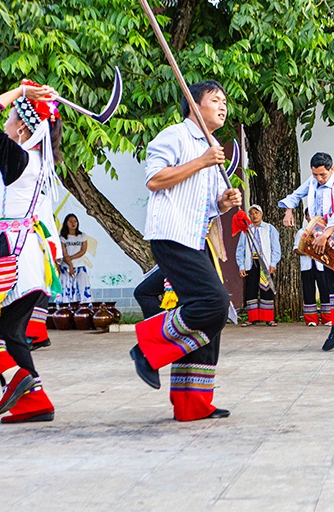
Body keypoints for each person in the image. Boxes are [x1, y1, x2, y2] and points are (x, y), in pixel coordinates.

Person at [128, 80, 242, 422]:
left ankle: (192, 403)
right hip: (172, 236)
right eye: (215, 99)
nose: (223, 106)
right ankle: (147, 350)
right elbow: (155, 180)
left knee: (212, 316)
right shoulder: (175, 136)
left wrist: (225, 202)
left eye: (225, 100)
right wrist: (203, 161)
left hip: (196, 237)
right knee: (213, 304)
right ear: (194, 105)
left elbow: (208, 206)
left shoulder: (213, 148)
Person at [0, 81, 63, 424]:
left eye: (12, 120)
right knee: (10, 332)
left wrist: (20, 92)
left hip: (11, 253)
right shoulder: (34, 162)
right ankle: (35, 403)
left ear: (21, 125)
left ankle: (19, 380)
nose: (5, 125)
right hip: (28, 253)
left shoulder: (18, 157)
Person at [280, 152, 334, 351]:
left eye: (322, 175)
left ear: (331, 170)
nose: (318, 179)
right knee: (330, 280)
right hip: (320, 234)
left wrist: (326, 234)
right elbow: (296, 195)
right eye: (315, 175)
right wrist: (289, 210)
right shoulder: (313, 182)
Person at [237, 204, 281, 327]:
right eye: (251, 213)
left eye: (256, 212)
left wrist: (273, 263)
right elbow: (240, 249)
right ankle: (252, 318)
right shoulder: (246, 230)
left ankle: (268, 318)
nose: (254, 215)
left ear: (261, 214)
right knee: (250, 290)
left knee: (266, 289)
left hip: (265, 263)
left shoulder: (269, 228)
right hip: (251, 262)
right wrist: (241, 265)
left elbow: (275, 248)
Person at [295, 209, 331, 326]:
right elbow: (296, 249)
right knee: (308, 291)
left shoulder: (324, 232)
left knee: (325, 290)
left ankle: (327, 318)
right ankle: (311, 319)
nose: (311, 217)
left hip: (321, 265)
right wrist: (307, 251)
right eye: (308, 215)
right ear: (306, 217)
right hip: (307, 266)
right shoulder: (301, 232)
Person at [58, 214, 92, 304]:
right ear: (66, 223)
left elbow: (83, 250)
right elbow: (64, 254)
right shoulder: (62, 238)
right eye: (70, 221)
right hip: (66, 267)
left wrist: (71, 257)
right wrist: (70, 266)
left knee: (82, 288)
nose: (73, 223)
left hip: (80, 266)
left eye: (75, 221)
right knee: (67, 289)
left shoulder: (82, 236)